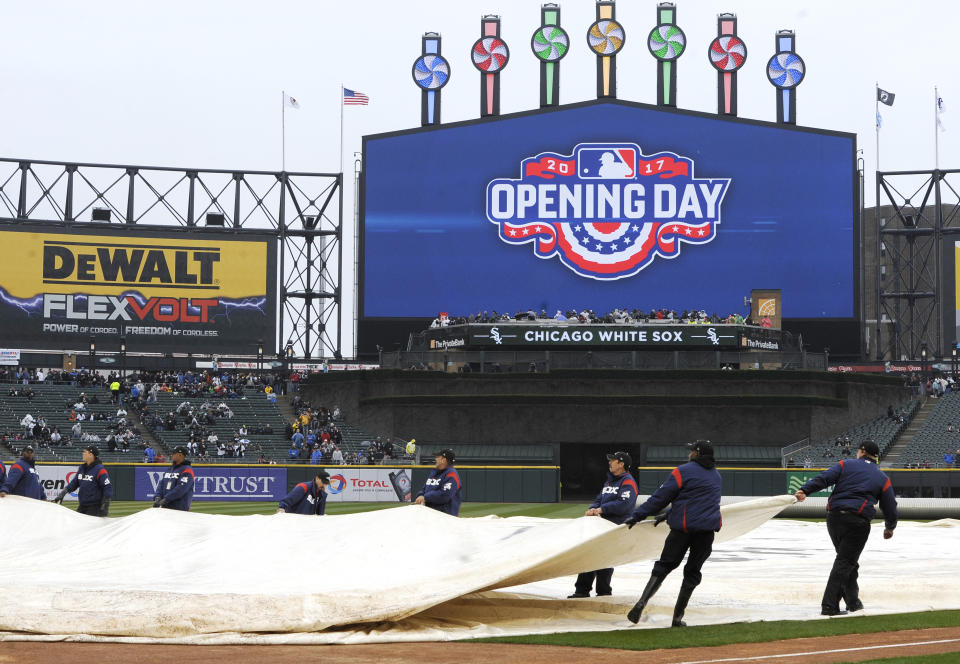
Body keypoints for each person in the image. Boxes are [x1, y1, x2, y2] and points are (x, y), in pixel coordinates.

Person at [794, 439, 898, 616]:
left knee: (847, 562)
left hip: (834, 518)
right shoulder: (882, 477)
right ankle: (829, 606)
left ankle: (853, 602)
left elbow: (824, 477)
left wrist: (805, 490)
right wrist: (890, 527)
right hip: (858, 522)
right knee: (845, 562)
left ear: (862, 452)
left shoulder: (846, 464)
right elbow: (890, 506)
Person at [625, 440, 722, 627]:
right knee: (692, 573)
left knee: (664, 566)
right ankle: (677, 618)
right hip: (706, 532)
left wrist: (637, 515)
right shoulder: (716, 475)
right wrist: (669, 514)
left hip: (683, 530)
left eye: (692, 450)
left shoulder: (683, 471)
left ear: (697, 453)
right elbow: (699, 502)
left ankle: (641, 603)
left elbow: (660, 498)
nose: (689, 453)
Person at [568, 451, 638, 598]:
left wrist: (602, 509)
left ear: (621, 464)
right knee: (588, 556)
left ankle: (603, 592)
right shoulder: (609, 481)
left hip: (613, 527)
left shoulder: (628, 482)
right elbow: (599, 498)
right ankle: (582, 591)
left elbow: (624, 505)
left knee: (605, 560)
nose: (609, 463)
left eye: (612, 460)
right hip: (599, 525)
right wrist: (592, 508)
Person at [54, 445, 112, 516]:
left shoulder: (100, 470)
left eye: (85, 452)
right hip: (82, 505)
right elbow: (74, 483)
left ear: (91, 455)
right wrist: (63, 493)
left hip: (95, 507)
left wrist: (105, 504)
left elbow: (107, 487)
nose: (83, 454)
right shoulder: (82, 468)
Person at [414, 448, 461, 516]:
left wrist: (425, 497)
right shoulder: (434, 473)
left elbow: (445, 495)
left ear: (443, 460)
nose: (436, 459)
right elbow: (424, 489)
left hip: (446, 517)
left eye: (437, 457)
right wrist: (420, 495)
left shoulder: (451, 475)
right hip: (432, 516)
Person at [153, 445, 195, 511]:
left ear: (180, 455)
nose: (171, 455)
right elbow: (161, 484)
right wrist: (157, 497)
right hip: (166, 507)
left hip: (179, 509)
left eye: (174, 453)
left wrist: (166, 499)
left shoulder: (187, 470)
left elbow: (181, 489)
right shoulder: (170, 469)